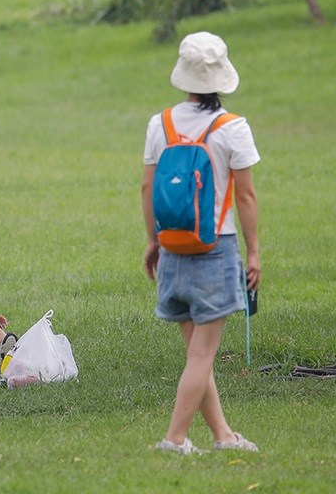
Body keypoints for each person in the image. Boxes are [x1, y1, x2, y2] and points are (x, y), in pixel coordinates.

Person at [142, 31, 261, 454]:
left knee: (198, 353)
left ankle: (223, 436)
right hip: (216, 249)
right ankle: (174, 439)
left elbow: (147, 187)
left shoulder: (162, 124)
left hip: (173, 248)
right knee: (201, 356)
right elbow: (245, 196)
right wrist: (254, 251)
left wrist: (154, 241)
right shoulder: (233, 128)